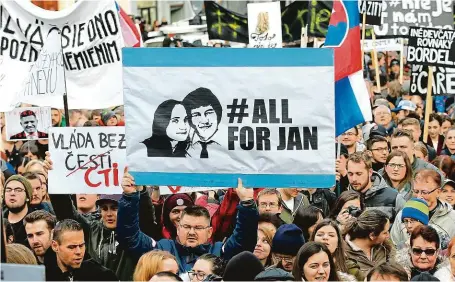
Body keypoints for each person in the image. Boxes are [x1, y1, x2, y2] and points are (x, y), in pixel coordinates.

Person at [117, 175, 258, 273]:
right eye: (186, 227)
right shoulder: (161, 249)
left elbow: (244, 240)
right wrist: (130, 196)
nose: (191, 232)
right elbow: (130, 237)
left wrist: (247, 202)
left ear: (209, 232)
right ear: (178, 228)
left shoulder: (220, 252)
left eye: (198, 228)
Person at [391, 169, 455, 250]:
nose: (419, 196)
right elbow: (393, 247)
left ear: (438, 192)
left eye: (424, 192)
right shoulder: (402, 215)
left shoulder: (452, 218)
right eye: (416, 191)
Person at [45, 219, 118, 281]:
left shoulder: (102, 276)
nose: (78, 252)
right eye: (71, 247)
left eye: (81, 245)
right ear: (55, 246)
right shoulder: (43, 276)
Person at [347, 152, 405, 222]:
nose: (354, 179)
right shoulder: (344, 199)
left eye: (359, 174)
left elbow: (404, 227)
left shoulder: (393, 198)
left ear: (370, 172)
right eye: (350, 174)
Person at [344, 209, 394, 281]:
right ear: (372, 235)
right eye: (385, 233)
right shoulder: (344, 253)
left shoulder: (385, 247)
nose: (388, 236)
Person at [182, 87, 223, 158]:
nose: (204, 121)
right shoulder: (182, 147)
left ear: (218, 114)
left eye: (209, 113)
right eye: (196, 115)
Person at [3, 175, 34, 245]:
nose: (12, 193)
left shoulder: (37, 221)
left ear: (27, 197)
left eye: (18, 190)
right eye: (8, 190)